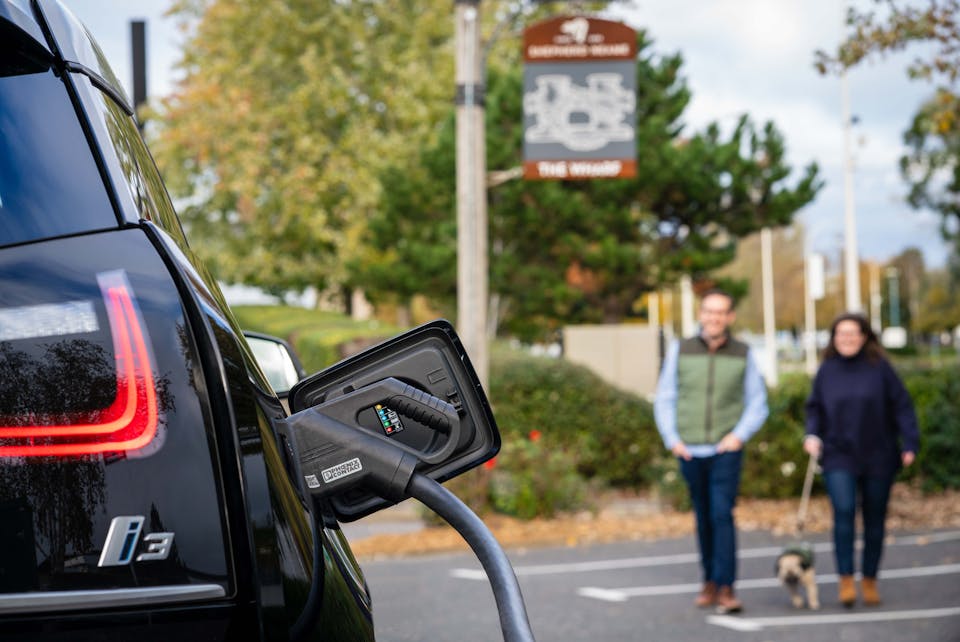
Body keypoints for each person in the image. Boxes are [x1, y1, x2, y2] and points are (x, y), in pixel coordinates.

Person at [654, 289, 769, 614]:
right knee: (704, 517)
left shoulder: (743, 353)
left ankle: (727, 587)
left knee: (722, 514)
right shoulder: (681, 349)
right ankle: (709, 581)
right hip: (689, 449)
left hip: (725, 449)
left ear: (729, 317)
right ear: (701, 315)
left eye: (721, 313)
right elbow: (666, 396)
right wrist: (671, 438)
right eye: (709, 312)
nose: (714, 318)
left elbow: (758, 402)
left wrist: (738, 435)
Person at [803, 312, 919, 608]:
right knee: (843, 512)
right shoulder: (827, 370)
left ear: (865, 336)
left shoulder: (880, 369)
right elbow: (814, 408)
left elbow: (902, 405)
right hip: (838, 454)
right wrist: (811, 434)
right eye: (841, 333)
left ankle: (869, 578)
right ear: (833, 338)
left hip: (879, 454)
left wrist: (909, 442)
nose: (847, 339)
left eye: (853, 333)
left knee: (874, 518)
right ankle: (845, 578)